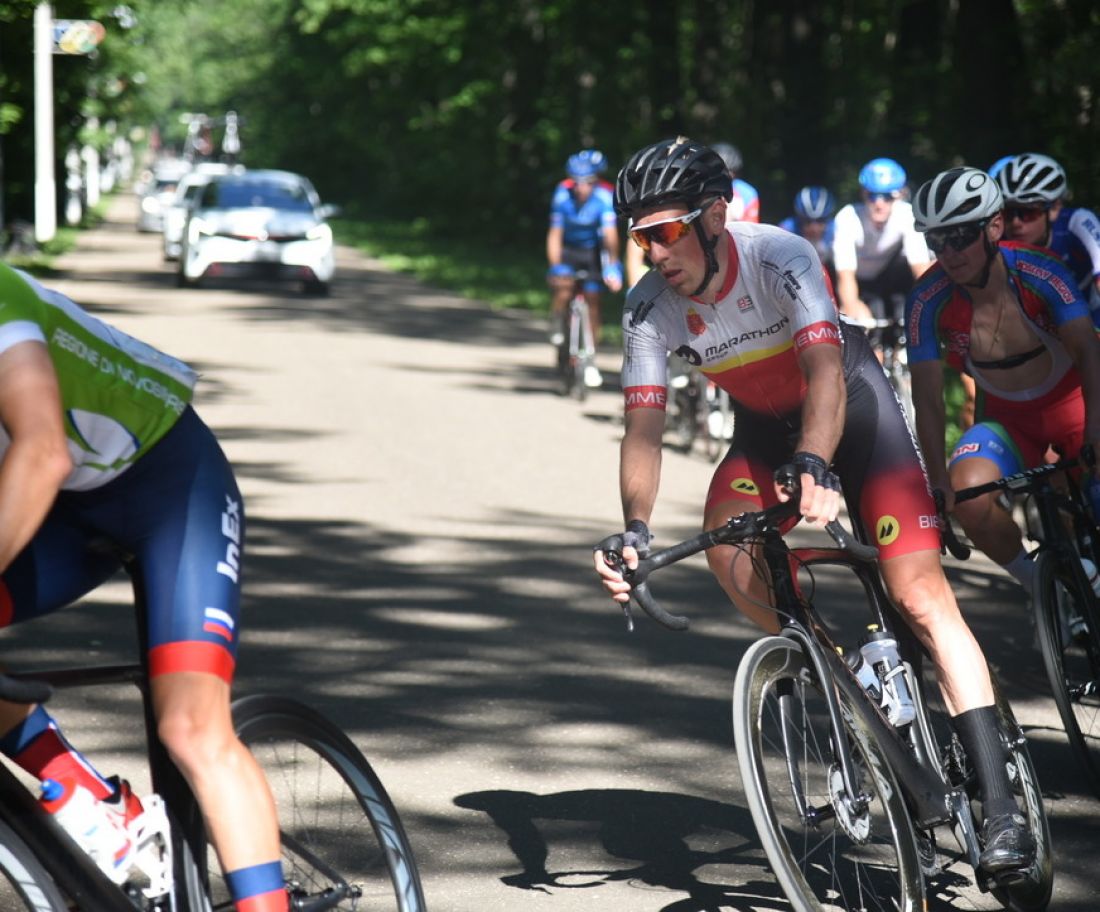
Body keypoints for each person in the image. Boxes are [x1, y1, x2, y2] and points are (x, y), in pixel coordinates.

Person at [592, 138, 1036, 875]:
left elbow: (826, 371)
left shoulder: (779, 255)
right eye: (640, 236)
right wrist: (635, 530)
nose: (652, 252)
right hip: (764, 438)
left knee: (920, 599)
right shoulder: (648, 308)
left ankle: (1004, 814)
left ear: (712, 216)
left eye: (664, 231)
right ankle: (841, 679)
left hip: (856, 418)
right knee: (727, 553)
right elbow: (643, 428)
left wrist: (816, 464)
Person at [0, 264, 289, 912]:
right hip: (61, 519)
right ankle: (95, 805)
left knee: (192, 729)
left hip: (169, 489)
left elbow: (45, 451)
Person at [906, 166, 1100, 600]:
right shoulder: (926, 299)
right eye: (935, 241)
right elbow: (929, 398)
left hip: (1076, 405)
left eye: (959, 237)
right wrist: (936, 476)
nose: (948, 252)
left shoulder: (1039, 270)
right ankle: (1043, 591)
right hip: (1009, 420)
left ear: (994, 227)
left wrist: (1095, 426)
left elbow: (1089, 351)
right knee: (967, 496)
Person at [625, 140, 760, 290]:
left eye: (731, 172)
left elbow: (750, 233)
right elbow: (634, 249)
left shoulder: (747, 193)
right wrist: (634, 289)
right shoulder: (644, 204)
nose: (656, 255)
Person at [546, 149, 623, 388]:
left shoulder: (604, 197)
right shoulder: (561, 195)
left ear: (595, 181)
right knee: (564, 288)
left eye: (587, 183)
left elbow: (610, 236)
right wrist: (556, 266)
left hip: (592, 251)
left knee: (593, 300)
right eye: (577, 183)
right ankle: (558, 322)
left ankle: (590, 356)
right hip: (568, 248)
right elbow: (555, 235)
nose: (581, 188)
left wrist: (612, 265)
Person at [832, 157, 931, 332]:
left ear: (899, 195)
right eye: (872, 196)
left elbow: (921, 269)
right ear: (863, 194)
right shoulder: (848, 217)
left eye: (887, 196)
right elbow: (845, 276)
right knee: (859, 326)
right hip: (858, 282)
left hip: (891, 280)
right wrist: (853, 305)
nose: (879, 203)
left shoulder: (906, 215)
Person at [994, 152, 1100, 314]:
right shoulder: (996, 238)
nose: (1015, 222)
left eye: (1028, 212)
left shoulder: (1076, 222)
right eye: (1007, 213)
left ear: (1054, 209)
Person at [779, 185, 838, 281]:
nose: (814, 228)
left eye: (820, 221)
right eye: (807, 221)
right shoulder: (786, 230)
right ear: (798, 218)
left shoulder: (837, 230)